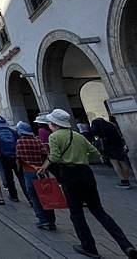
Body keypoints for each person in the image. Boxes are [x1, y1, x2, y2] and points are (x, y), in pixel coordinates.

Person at [37, 109, 137, 259]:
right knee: (99, 211)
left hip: (70, 175)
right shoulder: (78, 136)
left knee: (77, 213)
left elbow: (55, 157)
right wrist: (81, 157)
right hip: (86, 172)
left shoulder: (54, 137)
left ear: (54, 124)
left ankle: (88, 246)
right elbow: (95, 153)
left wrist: (47, 165)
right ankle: (126, 245)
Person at [15, 121, 56, 231]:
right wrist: (43, 167)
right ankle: (52, 220)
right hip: (42, 171)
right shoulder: (37, 140)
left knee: (34, 196)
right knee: (46, 195)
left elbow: (19, 159)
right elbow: (46, 155)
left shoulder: (20, 142)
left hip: (29, 171)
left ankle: (43, 220)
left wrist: (19, 170)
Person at [0, 116, 28, 202]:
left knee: (9, 177)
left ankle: (14, 196)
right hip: (16, 157)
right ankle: (29, 197)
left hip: (4, 157)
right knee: (21, 177)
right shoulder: (13, 131)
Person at [91, 118, 132, 189]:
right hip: (118, 144)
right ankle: (127, 179)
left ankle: (123, 180)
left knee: (115, 163)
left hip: (109, 146)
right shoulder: (111, 125)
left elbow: (95, 134)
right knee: (123, 162)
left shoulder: (101, 130)